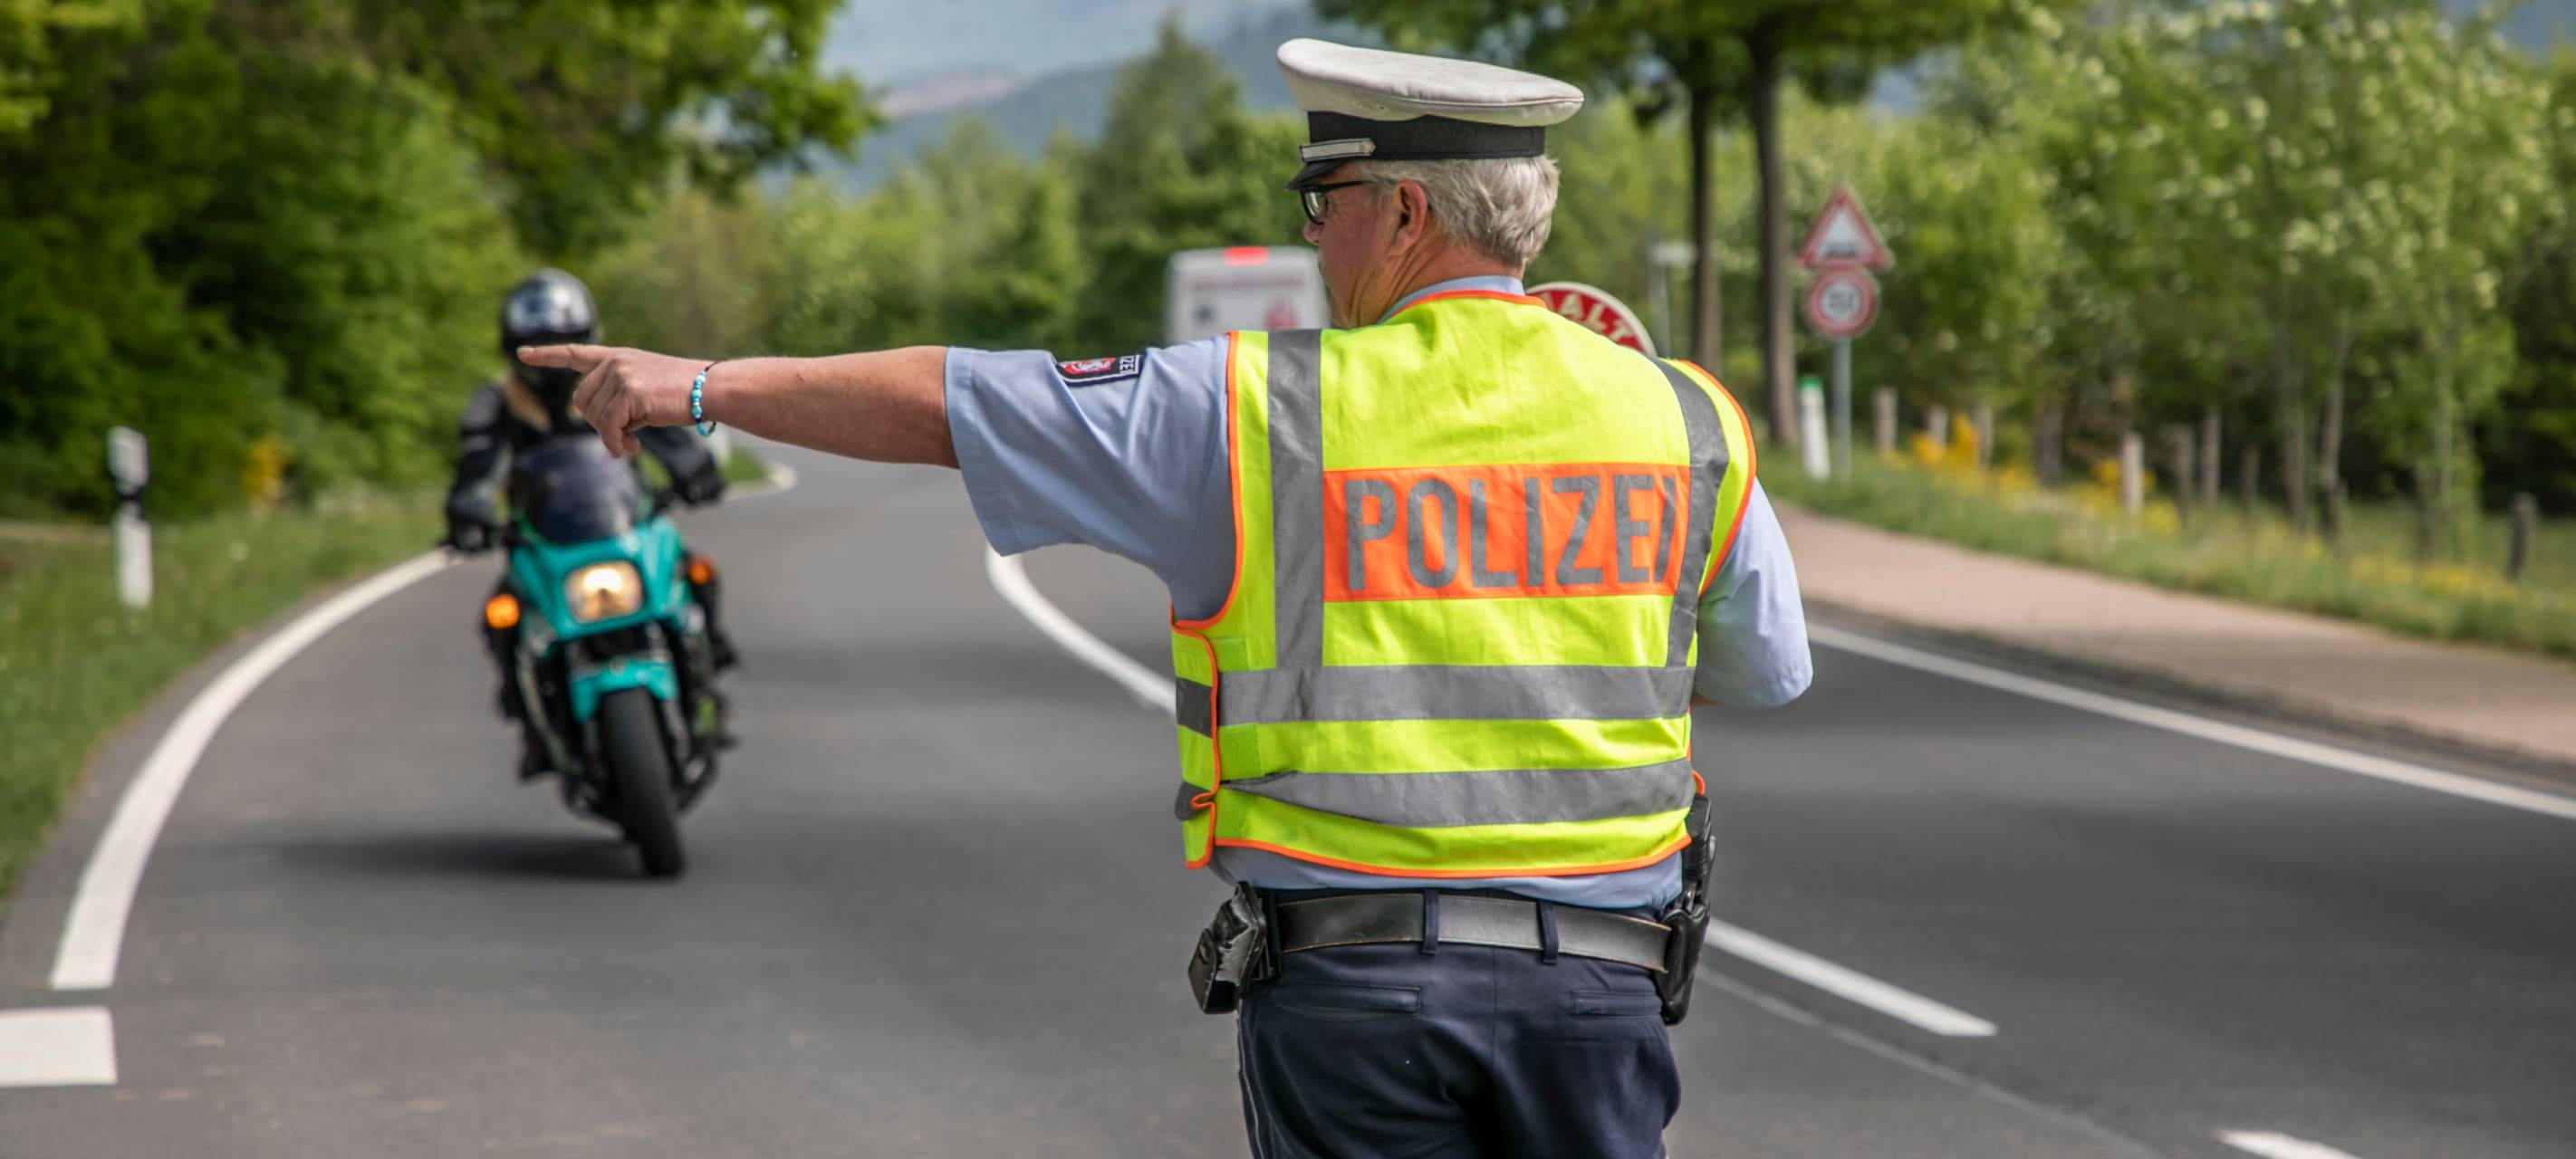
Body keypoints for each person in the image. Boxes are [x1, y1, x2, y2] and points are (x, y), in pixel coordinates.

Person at [523, 38, 1811, 1158]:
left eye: (1325, 197)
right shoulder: (1683, 415)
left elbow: (952, 401)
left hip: (1360, 996)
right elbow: (1766, 670)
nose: (1311, 232)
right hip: (1601, 997)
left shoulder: (1252, 409)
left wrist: (700, 384)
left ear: (1408, 212)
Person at [444, 269, 740, 778]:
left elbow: (668, 432)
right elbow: (478, 463)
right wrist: (470, 515)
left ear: (586, 338)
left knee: (695, 571)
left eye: (561, 341)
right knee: (501, 616)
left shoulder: (616, 381)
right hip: (545, 540)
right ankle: (533, 725)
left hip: (624, 523)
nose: (551, 354)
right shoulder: (495, 401)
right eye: (537, 344)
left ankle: (709, 664)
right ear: (513, 347)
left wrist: (695, 471)